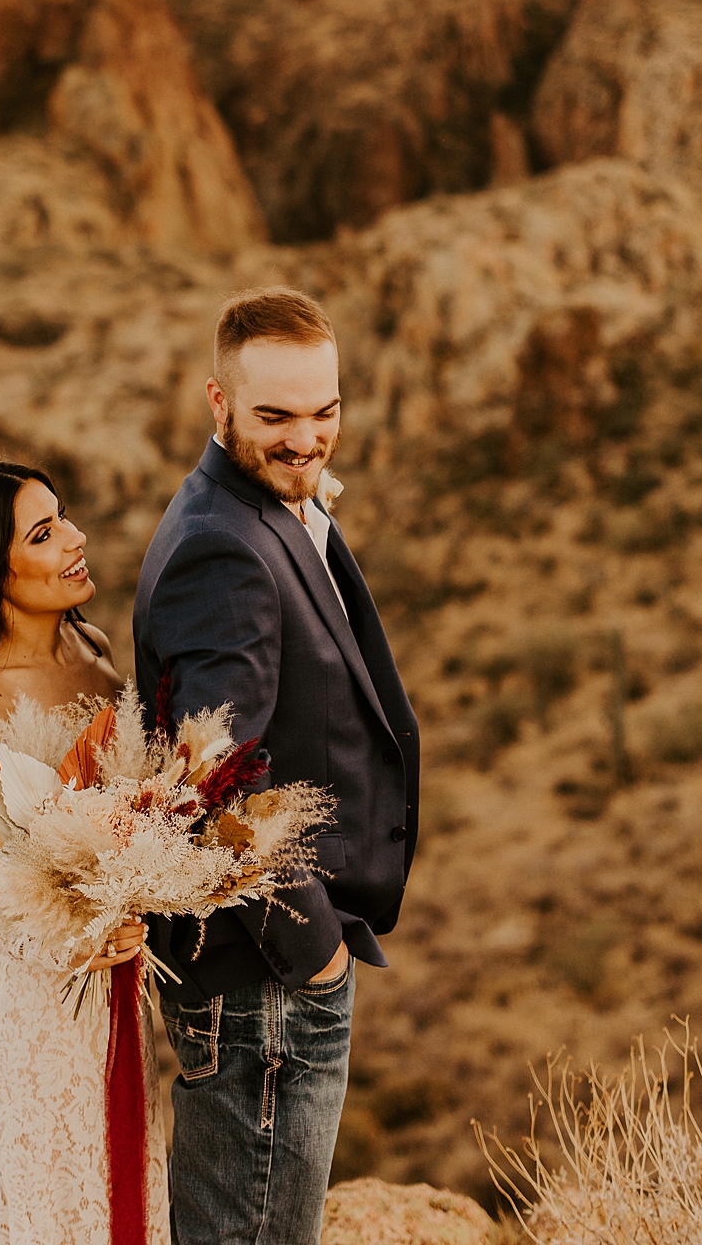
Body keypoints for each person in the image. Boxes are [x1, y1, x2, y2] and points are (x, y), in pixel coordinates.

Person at [134, 287, 419, 1245]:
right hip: (261, 985)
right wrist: (317, 958)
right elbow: (215, 784)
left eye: (324, 412)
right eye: (275, 417)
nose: (306, 440)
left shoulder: (257, 508)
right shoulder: (221, 544)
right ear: (217, 403)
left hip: (270, 981)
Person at [0, 460, 171, 1245]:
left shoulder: (90, 643)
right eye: (44, 534)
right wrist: (68, 939)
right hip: (41, 1007)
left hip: (125, 991)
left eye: (65, 519)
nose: (76, 541)